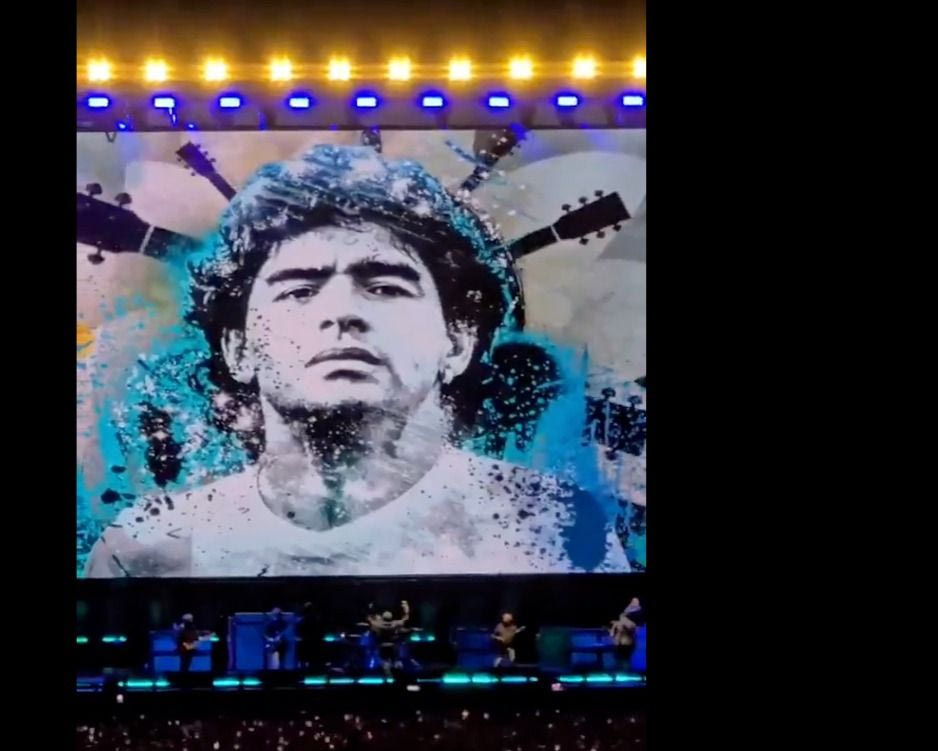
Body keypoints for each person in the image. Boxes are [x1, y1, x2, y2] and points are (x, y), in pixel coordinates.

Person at [84, 145, 630, 577]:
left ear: (458, 342)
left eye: (385, 287)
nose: (342, 313)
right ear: (238, 348)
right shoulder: (148, 546)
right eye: (299, 290)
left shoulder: (551, 524)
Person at [369, 600, 411, 677]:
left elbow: (370, 619)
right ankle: (397, 675)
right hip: (393, 646)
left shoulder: (378, 624)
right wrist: (406, 608)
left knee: (385, 662)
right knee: (395, 661)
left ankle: (388, 675)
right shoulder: (395, 623)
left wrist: (370, 608)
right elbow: (405, 618)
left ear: (382, 617)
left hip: (383, 646)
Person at [609, 598, 643, 672]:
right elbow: (614, 634)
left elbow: (629, 625)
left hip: (627, 644)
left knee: (625, 662)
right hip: (620, 645)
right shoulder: (622, 620)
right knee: (619, 662)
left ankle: (626, 672)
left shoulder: (632, 623)